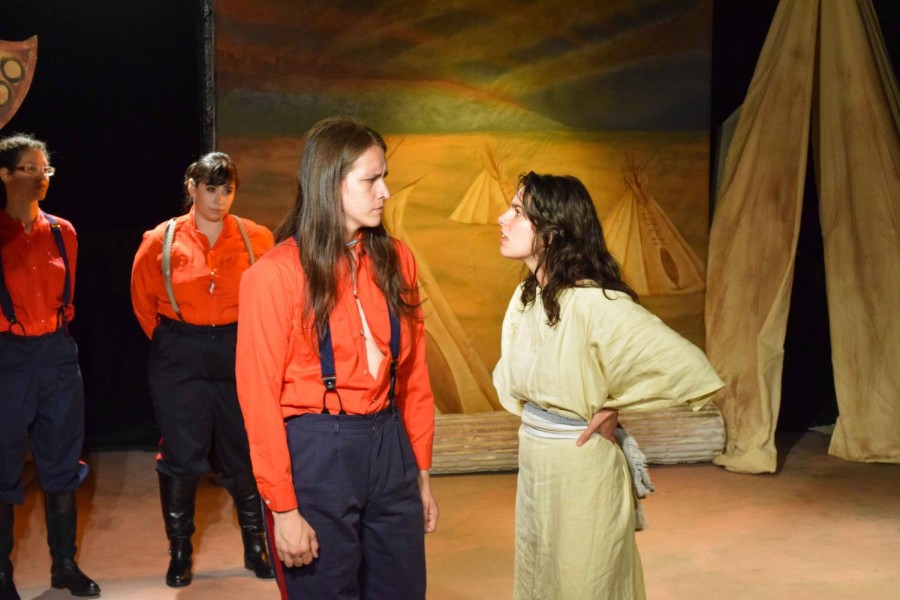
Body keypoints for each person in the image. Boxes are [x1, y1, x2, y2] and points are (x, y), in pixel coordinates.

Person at [493, 172, 724, 600]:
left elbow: (687, 366)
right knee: (541, 572)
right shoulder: (527, 297)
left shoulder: (593, 302)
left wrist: (612, 403)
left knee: (586, 578)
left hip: (581, 464)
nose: (502, 218)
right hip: (537, 461)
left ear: (552, 231)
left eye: (518, 212)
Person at [235, 116, 439, 599]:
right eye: (371, 179)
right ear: (329, 183)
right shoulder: (275, 275)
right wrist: (283, 510)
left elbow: (413, 378)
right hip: (317, 451)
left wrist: (421, 476)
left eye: (384, 176)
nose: (385, 191)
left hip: (390, 447)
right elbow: (258, 400)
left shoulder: (397, 259)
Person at [130, 152, 275, 587]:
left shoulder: (257, 237)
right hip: (181, 353)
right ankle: (180, 553)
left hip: (237, 348)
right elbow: (143, 303)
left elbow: (270, 298)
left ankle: (256, 546)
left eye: (227, 189)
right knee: (181, 453)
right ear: (192, 187)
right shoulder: (161, 239)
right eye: (211, 189)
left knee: (244, 450)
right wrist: (176, 342)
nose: (220, 198)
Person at [0, 134, 100, 599]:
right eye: (30, 168)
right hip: (9, 356)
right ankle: (2, 574)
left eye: (46, 169)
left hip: (57, 352)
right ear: (4, 175)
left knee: (61, 463)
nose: (41, 177)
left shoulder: (63, 231)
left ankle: (64, 564)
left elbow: (69, 293)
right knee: (3, 465)